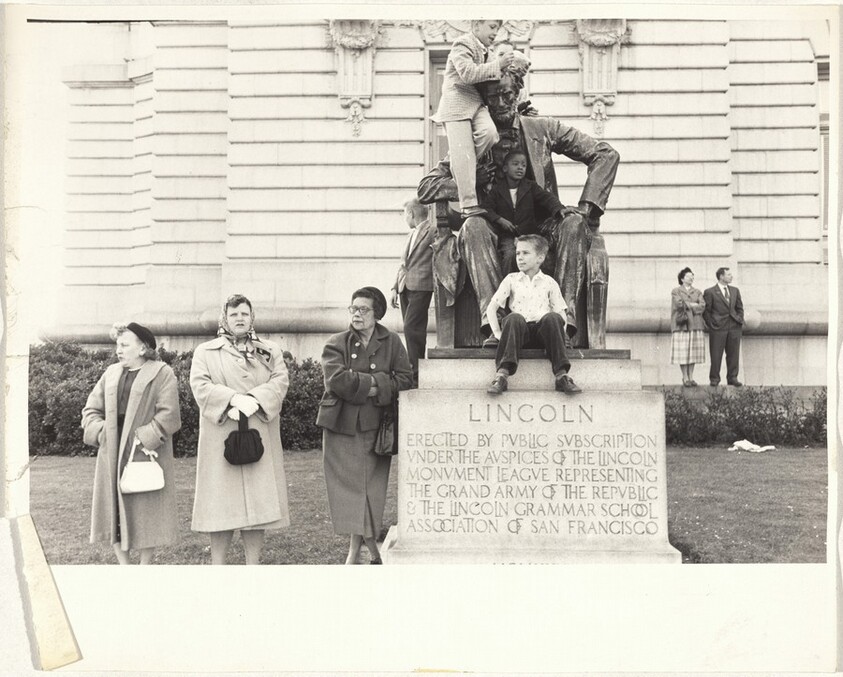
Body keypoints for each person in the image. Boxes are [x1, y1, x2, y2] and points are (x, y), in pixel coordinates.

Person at [419, 70, 619, 348]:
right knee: (472, 225)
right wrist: (467, 179)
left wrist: (586, 211)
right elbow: (427, 186)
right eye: (493, 96)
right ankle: (493, 324)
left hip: (542, 226)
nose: (501, 102)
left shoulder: (542, 128)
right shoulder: (472, 139)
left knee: (573, 224)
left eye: (508, 94)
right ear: (483, 101)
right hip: (494, 226)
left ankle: (562, 322)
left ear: (519, 94)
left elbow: (605, 154)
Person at [190, 294, 290, 564]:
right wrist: (231, 399)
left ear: (252, 317)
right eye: (234, 314)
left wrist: (256, 399)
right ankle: (218, 564)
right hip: (221, 435)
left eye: (245, 313)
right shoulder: (206, 351)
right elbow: (199, 385)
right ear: (225, 318)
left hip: (259, 429)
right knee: (220, 504)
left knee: (257, 504)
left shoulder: (269, 350)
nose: (240, 319)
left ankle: (252, 564)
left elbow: (280, 381)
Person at [317, 286, 414, 564]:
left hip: (378, 429)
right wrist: (376, 384)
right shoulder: (337, 342)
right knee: (350, 492)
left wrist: (373, 386)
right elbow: (336, 380)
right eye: (353, 308)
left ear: (377, 313)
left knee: (371, 491)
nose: (357, 314)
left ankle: (360, 552)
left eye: (363, 309)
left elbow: (405, 379)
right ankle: (366, 551)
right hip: (341, 427)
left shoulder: (392, 341)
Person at [82, 322, 181, 564]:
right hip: (112, 450)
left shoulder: (162, 373)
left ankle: (144, 566)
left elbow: (169, 415)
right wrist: (102, 431)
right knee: (113, 507)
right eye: (117, 344)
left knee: (146, 507)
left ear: (143, 348)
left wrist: (144, 438)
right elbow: (91, 409)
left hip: (143, 449)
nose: (119, 349)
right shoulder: (111, 373)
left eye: (125, 344)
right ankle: (125, 567)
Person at [431, 20, 515, 218]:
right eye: (492, 27)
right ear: (477, 25)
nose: (495, 32)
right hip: (457, 105)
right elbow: (467, 74)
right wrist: (498, 65)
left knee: (490, 134)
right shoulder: (463, 43)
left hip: (476, 104)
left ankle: (459, 164)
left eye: (498, 28)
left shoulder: (488, 51)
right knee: (464, 153)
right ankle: (468, 205)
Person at [485, 235, 581, 395]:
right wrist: (498, 334)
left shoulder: (549, 282)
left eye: (525, 253)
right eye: (517, 253)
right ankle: (501, 375)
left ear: (540, 258)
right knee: (513, 318)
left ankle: (561, 376)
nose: (520, 258)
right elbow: (491, 308)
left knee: (552, 318)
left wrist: (560, 334)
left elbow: (561, 313)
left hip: (542, 334)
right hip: (519, 334)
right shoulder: (511, 279)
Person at [481, 149, 567, 275]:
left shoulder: (530, 186)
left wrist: (559, 208)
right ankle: (508, 287)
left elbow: (547, 198)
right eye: (515, 164)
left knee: (543, 258)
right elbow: (486, 208)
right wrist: (499, 220)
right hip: (508, 236)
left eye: (523, 165)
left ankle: (540, 289)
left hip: (529, 235)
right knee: (510, 256)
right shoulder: (497, 189)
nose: (520, 168)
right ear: (505, 168)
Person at [391, 197, 435, 387]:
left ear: (411, 213)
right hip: (405, 287)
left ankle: (415, 372)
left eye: (404, 214)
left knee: (412, 327)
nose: (404, 218)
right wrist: (394, 287)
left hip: (423, 285)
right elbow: (404, 264)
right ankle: (415, 370)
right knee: (412, 328)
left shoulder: (433, 230)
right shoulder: (411, 235)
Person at [703, 267, 744, 387]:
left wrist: (739, 319)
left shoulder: (735, 290)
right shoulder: (710, 292)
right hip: (718, 328)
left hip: (734, 327)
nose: (731, 276)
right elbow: (706, 311)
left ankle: (733, 377)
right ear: (721, 276)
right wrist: (711, 324)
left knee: (733, 354)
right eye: (728, 274)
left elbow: (739, 308)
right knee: (716, 354)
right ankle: (714, 378)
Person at [670, 267, 706, 386]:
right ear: (682, 278)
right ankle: (685, 377)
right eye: (688, 276)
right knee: (683, 351)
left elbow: (702, 306)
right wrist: (692, 304)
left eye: (692, 276)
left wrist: (688, 305)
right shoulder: (676, 291)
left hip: (695, 324)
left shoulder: (698, 292)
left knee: (693, 352)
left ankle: (691, 376)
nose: (691, 278)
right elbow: (678, 304)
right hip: (683, 324)